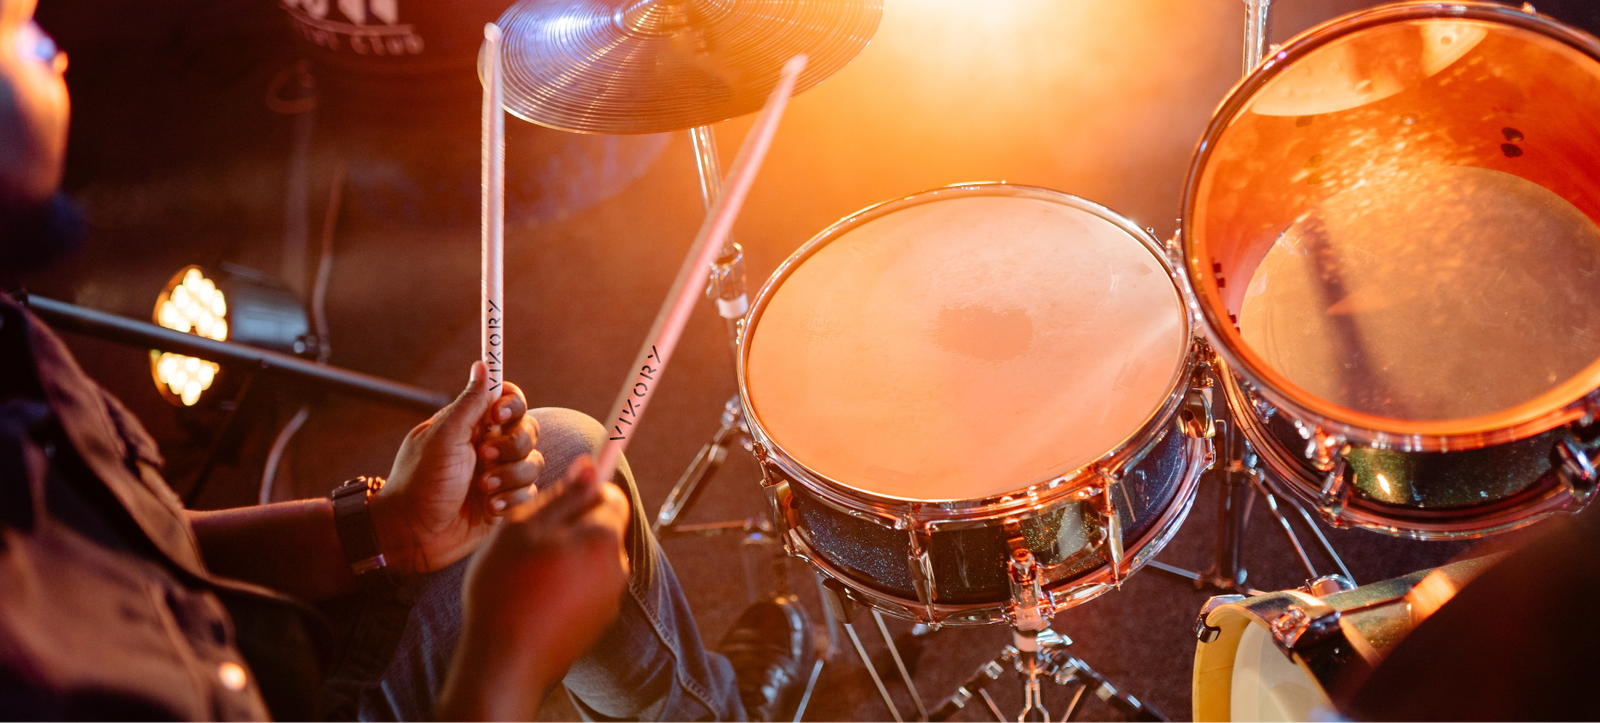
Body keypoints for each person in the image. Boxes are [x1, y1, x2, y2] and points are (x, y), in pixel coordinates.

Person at [0, 0, 810, 720]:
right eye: (15, 29)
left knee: (565, 454)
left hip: (226, 639)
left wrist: (387, 527)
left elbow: (130, 539)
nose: (53, 49)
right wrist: (504, 656)